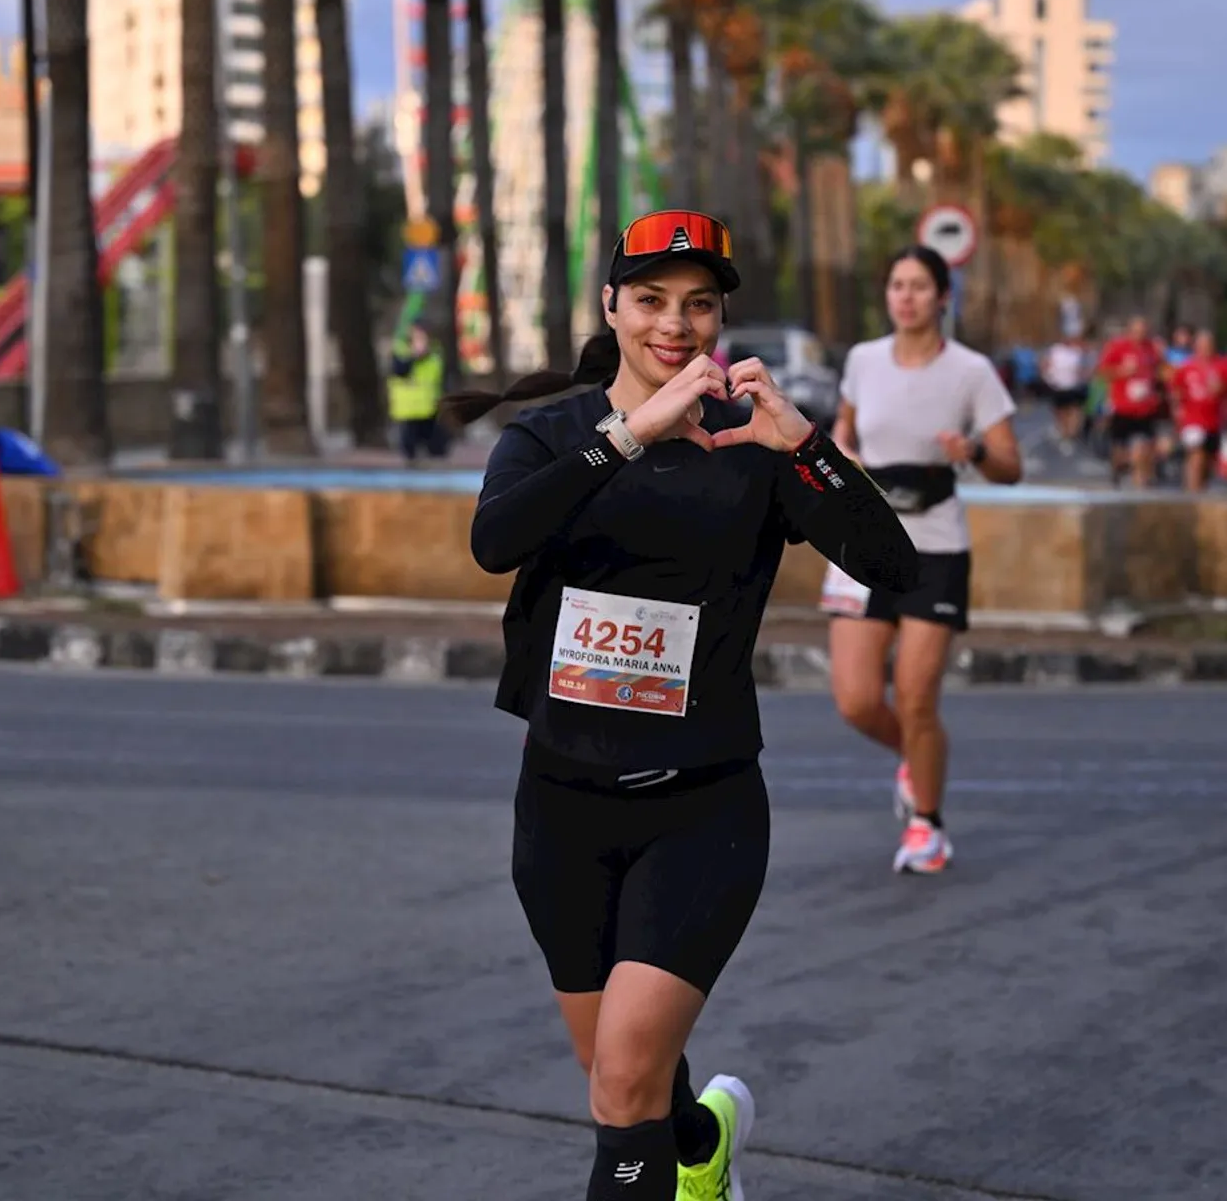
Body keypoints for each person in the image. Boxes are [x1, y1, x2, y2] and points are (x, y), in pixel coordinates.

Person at [445, 209, 920, 1201]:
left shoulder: (754, 449)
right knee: (628, 1077)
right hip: (563, 808)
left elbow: (893, 565)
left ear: (719, 319)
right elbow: (496, 540)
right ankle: (703, 1139)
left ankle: (675, 1159)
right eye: (653, 300)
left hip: (701, 808)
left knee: (621, 1087)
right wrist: (629, 434)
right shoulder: (552, 435)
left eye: (698, 304)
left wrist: (808, 447)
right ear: (613, 304)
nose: (676, 323)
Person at [825, 245, 1023, 876]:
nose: (904, 296)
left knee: (915, 696)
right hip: (863, 542)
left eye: (917, 286)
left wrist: (972, 451)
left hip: (935, 546)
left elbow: (1011, 466)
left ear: (943, 297)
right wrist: (838, 455)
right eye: (895, 284)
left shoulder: (971, 372)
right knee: (856, 699)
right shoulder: (862, 360)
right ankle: (916, 760)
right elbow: (844, 430)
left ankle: (927, 825)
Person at [1098, 316, 1163, 488]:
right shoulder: (1118, 347)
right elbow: (1102, 372)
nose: (1140, 335)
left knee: (1143, 449)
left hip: (1145, 409)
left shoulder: (1151, 348)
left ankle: (1140, 486)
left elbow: (1159, 371)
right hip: (1123, 408)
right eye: (1136, 332)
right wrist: (1122, 371)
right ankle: (1118, 470)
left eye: (1143, 332)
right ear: (1129, 331)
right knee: (1120, 452)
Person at [1171, 328, 1227, 493]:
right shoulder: (1186, 367)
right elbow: (1176, 392)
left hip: (1214, 421)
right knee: (1196, 457)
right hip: (1192, 420)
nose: (1205, 348)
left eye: (1208, 345)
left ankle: (1200, 493)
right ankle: (1192, 494)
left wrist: (1221, 389)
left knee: (1208, 463)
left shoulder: (1222, 366)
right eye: (1202, 345)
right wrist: (1177, 415)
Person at [387, 324, 450, 464]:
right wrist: (414, 356)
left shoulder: (434, 355)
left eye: (423, 338)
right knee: (410, 450)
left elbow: (440, 378)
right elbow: (400, 371)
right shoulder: (401, 353)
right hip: (408, 410)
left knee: (437, 447)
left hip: (430, 407)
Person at [1041, 329, 1090, 448]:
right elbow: (1045, 363)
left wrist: (1084, 375)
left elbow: (1082, 367)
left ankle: (1072, 432)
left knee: (1075, 409)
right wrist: (1047, 376)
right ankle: (1064, 430)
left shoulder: (1077, 351)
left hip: (1074, 386)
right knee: (1061, 411)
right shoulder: (1055, 350)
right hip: (1058, 386)